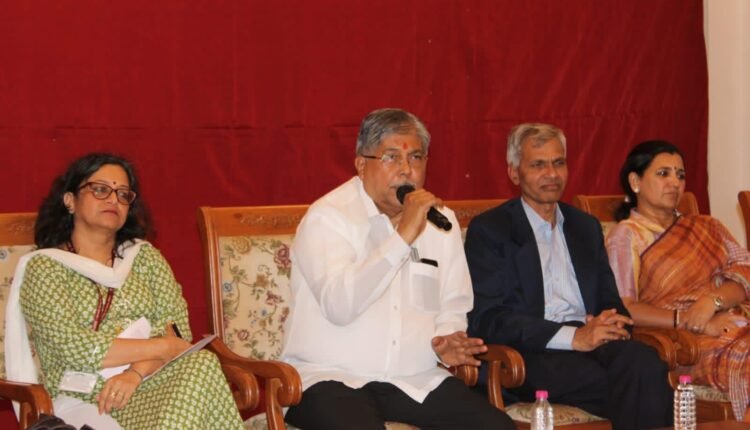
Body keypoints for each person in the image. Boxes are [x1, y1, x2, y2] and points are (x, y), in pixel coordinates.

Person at [281, 108, 515, 430]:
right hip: (330, 378)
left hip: (413, 380)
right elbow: (339, 306)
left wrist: (446, 341)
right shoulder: (328, 218)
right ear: (361, 165)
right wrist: (402, 237)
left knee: (497, 427)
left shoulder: (440, 222)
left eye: (416, 157)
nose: (406, 170)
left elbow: (453, 304)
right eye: (391, 157)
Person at [5, 153, 244, 429]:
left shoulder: (144, 258)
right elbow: (74, 347)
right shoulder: (45, 267)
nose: (113, 200)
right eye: (100, 189)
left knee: (202, 365)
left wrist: (135, 373)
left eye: (122, 194)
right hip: (86, 395)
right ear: (70, 200)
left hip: (149, 381)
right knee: (203, 374)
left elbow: (177, 331)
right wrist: (164, 346)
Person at [464, 123, 673, 430]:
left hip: (593, 341)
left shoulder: (584, 227)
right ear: (514, 173)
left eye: (558, 162)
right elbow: (489, 318)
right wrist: (573, 338)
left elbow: (611, 302)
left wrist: (611, 322)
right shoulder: (492, 230)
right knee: (634, 384)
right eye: (538, 165)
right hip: (532, 353)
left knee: (647, 363)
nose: (551, 174)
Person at [606, 140, 750, 421]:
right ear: (635, 182)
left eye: (680, 175)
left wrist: (712, 301)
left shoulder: (707, 226)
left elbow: (745, 271)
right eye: (663, 174)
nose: (674, 182)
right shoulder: (626, 236)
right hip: (683, 344)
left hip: (733, 320)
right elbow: (625, 308)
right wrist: (691, 319)